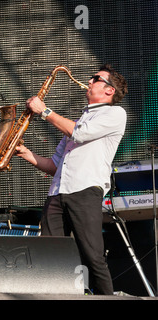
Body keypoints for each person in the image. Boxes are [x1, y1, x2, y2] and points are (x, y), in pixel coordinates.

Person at [15, 64, 128, 295]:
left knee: (92, 255)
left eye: (96, 78)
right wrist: (25, 153)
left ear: (110, 90)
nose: (89, 81)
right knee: (50, 255)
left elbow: (80, 133)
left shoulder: (115, 113)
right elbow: (54, 165)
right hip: (57, 192)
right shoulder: (79, 119)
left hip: (85, 190)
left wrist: (45, 112)